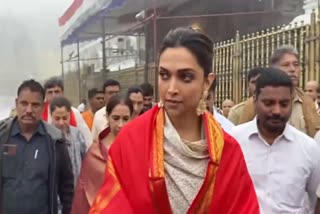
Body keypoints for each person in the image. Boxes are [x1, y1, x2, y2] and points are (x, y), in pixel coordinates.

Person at [90, 27, 259, 213]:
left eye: (185, 77)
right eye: (164, 75)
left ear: (207, 82)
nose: (171, 88)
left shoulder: (228, 152)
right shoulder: (131, 139)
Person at [230, 68, 320, 213]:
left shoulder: (309, 148)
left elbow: (314, 200)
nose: (277, 111)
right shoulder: (233, 141)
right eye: (269, 103)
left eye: (284, 104)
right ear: (255, 101)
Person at [0, 79, 74, 214]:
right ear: (16, 103)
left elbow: (67, 187)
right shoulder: (2, 136)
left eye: (35, 105)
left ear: (44, 106)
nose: (29, 110)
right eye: (24, 103)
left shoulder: (55, 141)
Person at [238, 46, 320, 137]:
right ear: (273, 69)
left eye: (296, 64)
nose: (292, 69)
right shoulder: (252, 104)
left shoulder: (307, 102)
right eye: (286, 65)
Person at [71, 95, 133, 214]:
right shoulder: (95, 154)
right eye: (115, 118)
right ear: (108, 117)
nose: (120, 125)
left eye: (125, 119)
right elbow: (83, 196)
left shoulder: (138, 150)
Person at [43, 77, 93, 147]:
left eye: (57, 92)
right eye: (50, 92)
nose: (53, 95)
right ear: (45, 95)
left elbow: (88, 140)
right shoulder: (40, 114)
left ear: (62, 93)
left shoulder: (74, 113)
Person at [50, 96, 87, 186]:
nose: (61, 123)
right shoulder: (47, 137)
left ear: (70, 115)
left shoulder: (77, 134)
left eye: (65, 118)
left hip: (76, 187)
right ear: (51, 116)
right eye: (57, 118)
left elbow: (84, 159)